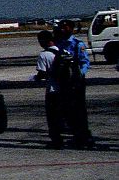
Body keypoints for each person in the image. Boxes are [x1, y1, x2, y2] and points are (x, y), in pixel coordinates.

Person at [53, 20, 94, 149]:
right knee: (67, 109)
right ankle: (75, 134)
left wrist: (79, 74)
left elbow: (85, 62)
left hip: (76, 81)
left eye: (65, 28)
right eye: (61, 28)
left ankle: (84, 136)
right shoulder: (59, 44)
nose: (63, 30)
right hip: (64, 80)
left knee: (79, 109)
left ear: (71, 28)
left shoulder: (77, 44)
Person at [32, 30, 66, 149]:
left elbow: (42, 73)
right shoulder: (63, 51)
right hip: (65, 89)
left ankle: (56, 140)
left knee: (52, 117)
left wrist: (35, 78)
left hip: (52, 89)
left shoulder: (44, 55)